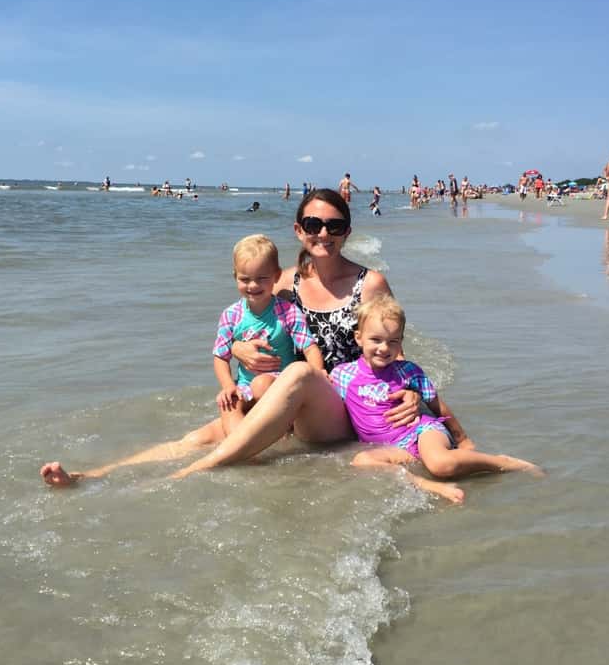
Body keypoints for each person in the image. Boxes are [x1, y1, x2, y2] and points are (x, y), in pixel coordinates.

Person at [41, 189, 421, 486]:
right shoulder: (283, 282)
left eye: (334, 226)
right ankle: (93, 476)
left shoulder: (369, 284)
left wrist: (416, 395)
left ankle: (203, 470)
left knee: (302, 375)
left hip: (338, 408)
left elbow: (393, 346)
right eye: (313, 224)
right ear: (298, 230)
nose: (323, 233)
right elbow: (254, 326)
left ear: (347, 232)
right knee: (199, 435)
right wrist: (238, 349)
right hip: (282, 397)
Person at [332, 295, 541, 503]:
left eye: (393, 341)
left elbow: (436, 405)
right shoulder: (343, 375)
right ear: (358, 337)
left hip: (422, 431)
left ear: (401, 342)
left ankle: (501, 462)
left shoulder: (408, 372)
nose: (384, 348)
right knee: (362, 461)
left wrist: (463, 440)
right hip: (392, 448)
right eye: (375, 340)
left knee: (441, 464)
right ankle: (428, 485)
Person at [213, 235, 324, 436]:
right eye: (244, 279)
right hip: (245, 387)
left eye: (261, 278)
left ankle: (278, 432)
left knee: (261, 383)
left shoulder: (288, 312)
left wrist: (318, 374)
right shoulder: (231, 315)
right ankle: (241, 445)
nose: (253, 285)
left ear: (276, 276)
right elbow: (220, 357)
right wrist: (229, 386)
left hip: (280, 383)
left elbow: (309, 347)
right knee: (227, 403)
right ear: (235, 277)